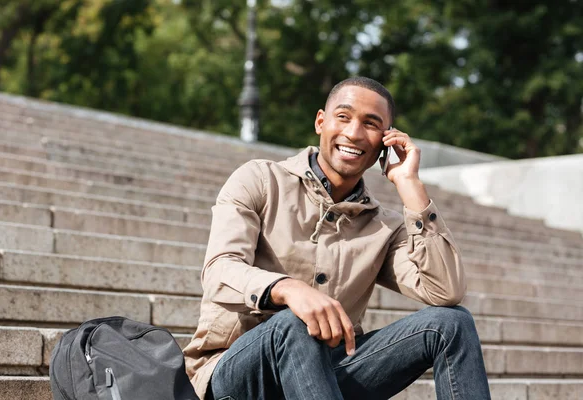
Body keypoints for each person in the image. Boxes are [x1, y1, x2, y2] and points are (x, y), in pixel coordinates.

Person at [184, 76, 491, 399]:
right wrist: (288, 290)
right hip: (239, 376)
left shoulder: (382, 226)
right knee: (295, 321)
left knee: (452, 324)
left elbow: (445, 291)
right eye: (343, 117)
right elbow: (219, 271)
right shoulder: (260, 179)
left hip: (328, 375)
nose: (354, 133)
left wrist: (410, 185)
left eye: (371, 124)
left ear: (385, 141)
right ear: (321, 122)